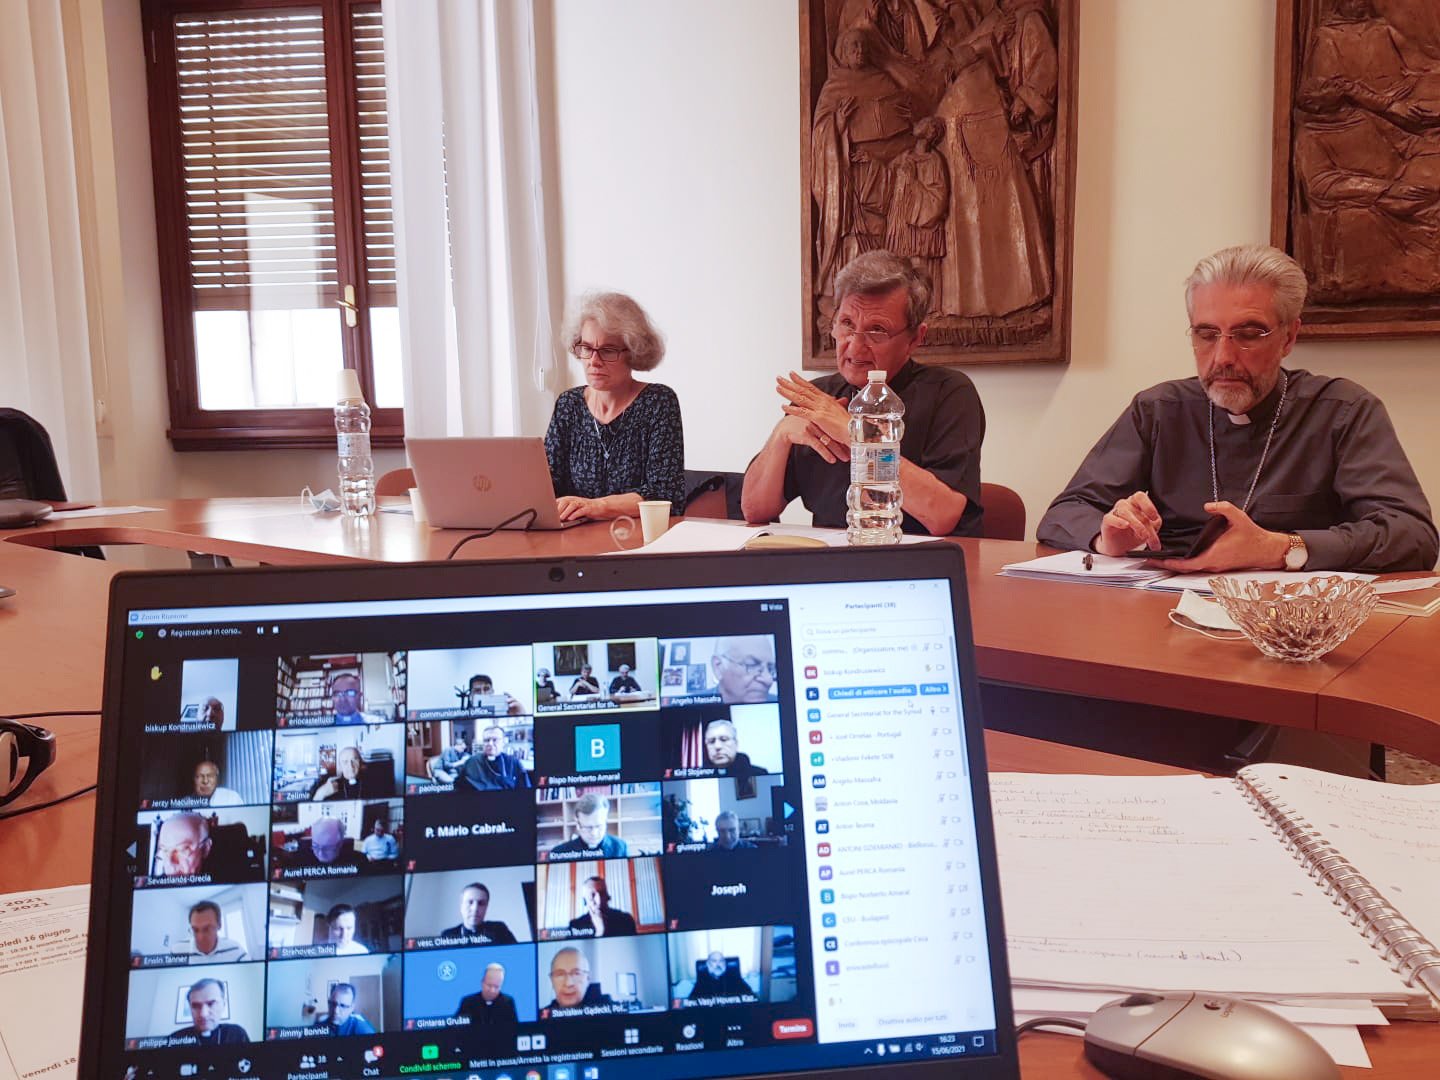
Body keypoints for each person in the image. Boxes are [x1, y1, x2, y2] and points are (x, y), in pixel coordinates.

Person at [1038, 244, 1438, 573]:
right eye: (1207, 334)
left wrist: (1278, 548)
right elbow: (1064, 512)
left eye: (1248, 334)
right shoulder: (1158, 411)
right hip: (1163, 619)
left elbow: (1412, 536)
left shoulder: (1343, 411)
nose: (1223, 357)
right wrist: (1106, 536)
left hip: (1293, 632)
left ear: (1288, 337)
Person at [743, 250, 985, 536]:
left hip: (916, 567)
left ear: (915, 339)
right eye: (846, 324)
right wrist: (782, 434)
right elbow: (754, 509)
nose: (855, 347)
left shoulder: (950, 393)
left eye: (877, 330)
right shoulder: (819, 396)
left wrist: (853, 432)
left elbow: (942, 515)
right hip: (830, 567)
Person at [544, 292, 685, 524]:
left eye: (608, 351)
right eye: (586, 348)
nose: (594, 361)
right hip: (575, 539)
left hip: (638, 539)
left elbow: (665, 495)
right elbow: (548, 484)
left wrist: (594, 506)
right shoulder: (568, 404)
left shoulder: (659, 402)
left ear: (634, 352)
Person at [170, 978, 249, 1044]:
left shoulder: (237, 1033)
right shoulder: (174, 1038)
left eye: (211, 1004)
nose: (203, 1014)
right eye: (196, 1006)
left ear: (223, 1005)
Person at [550, 793, 629, 858]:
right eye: (588, 827)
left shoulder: (620, 847)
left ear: (606, 822)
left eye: (599, 826)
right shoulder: (559, 853)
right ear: (578, 824)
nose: (594, 833)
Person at [437, 882, 518, 944]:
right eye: (470, 902)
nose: (475, 908)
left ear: (486, 907)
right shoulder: (447, 935)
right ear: (461, 906)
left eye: (481, 903)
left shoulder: (500, 929)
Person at [456, 725, 531, 792]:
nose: (490, 744)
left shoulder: (514, 763)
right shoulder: (471, 762)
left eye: (495, 740)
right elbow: (458, 788)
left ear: (503, 742)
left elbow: (526, 791)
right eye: (487, 740)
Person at [455, 962, 519, 1040]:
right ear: (482, 983)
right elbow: (456, 1029)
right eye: (489, 985)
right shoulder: (468, 1002)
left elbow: (514, 1031)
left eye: (496, 987)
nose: (492, 990)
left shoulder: (507, 1003)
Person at [709, 637, 777, 704]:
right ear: (718, 667)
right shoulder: (700, 702)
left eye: (770, 668)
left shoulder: (779, 702)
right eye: (752, 665)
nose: (769, 680)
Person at [543, 947, 614, 1011]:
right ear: (552, 980)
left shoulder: (607, 1008)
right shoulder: (542, 1014)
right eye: (560, 974)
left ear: (588, 979)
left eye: (576, 974)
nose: (568, 983)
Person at [567, 876, 637, 938]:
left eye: (602, 893)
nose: (599, 901)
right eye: (592, 895)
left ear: (608, 897)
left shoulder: (626, 920)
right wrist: (600, 931)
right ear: (585, 900)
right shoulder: (575, 926)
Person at [292, 817, 365, 871]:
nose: (320, 854)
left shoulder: (359, 861)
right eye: (315, 846)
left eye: (327, 848)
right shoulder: (301, 861)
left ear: (340, 844)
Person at [703, 719, 769, 777]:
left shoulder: (760, 773)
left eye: (724, 739)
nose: (717, 746)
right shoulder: (700, 774)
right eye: (711, 741)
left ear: (736, 744)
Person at [310, 746, 380, 801]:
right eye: (345, 762)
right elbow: (310, 811)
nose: (350, 766)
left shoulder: (373, 782)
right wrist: (321, 793)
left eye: (354, 760)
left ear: (361, 762)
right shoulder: (327, 784)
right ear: (340, 766)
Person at [311, 982, 376, 1036]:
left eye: (343, 1006)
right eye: (333, 1003)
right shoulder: (318, 1026)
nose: (336, 1011)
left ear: (352, 1008)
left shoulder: (362, 1028)